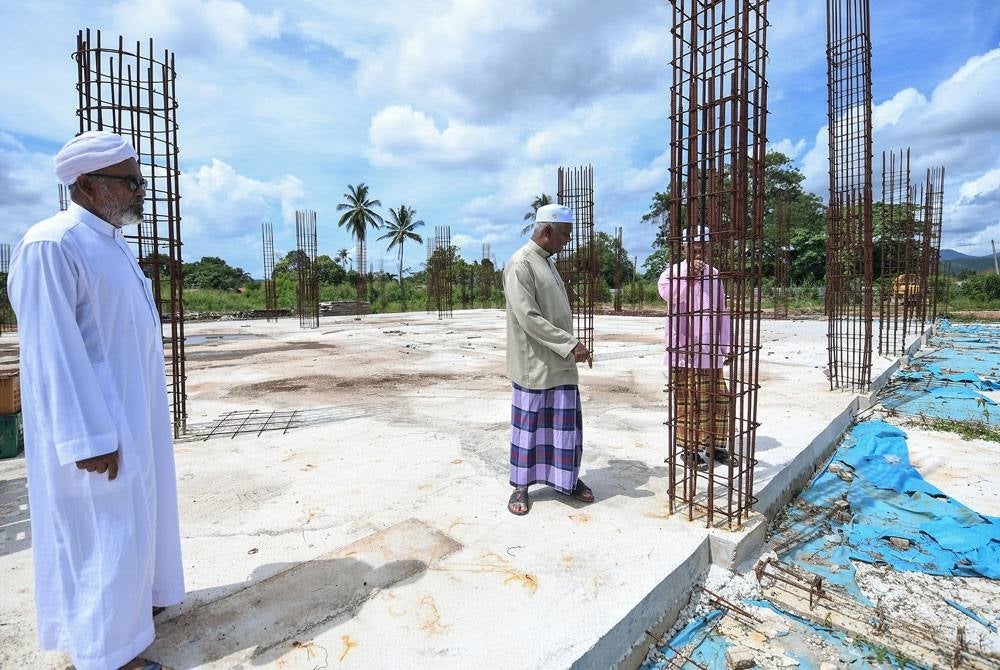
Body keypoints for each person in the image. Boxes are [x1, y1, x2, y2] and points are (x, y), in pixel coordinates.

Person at [8, 131, 184, 670]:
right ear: (86, 183)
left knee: (135, 523)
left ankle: (134, 614)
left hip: (134, 417)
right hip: (96, 429)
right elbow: (52, 352)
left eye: (140, 182)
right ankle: (109, 656)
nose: (141, 191)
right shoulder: (52, 244)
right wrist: (86, 437)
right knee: (102, 533)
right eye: (130, 182)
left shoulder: (114, 246)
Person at [503, 203, 594, 515]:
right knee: (530, 429)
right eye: (564, 235)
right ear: (546, 231)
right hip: (535, 364)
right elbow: (528, 318)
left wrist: (567, 346)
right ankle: (521, 486)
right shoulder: (521, 264)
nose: (567, 240)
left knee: (563, 429)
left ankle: (566, 480)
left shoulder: (547, 262)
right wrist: (570, 344)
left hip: (559, 362)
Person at [658, 227, 732, 470]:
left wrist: (726, 345)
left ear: (709, 249)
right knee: (688, 402)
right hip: (684, 351)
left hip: (709, 350)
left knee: (717, 401)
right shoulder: (671, 274)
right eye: (693, 249)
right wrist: (688, 275)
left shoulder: (714, 275)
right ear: (684, 249)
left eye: (703, 249)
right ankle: (689, 450)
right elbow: (671, 297)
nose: (698, 254)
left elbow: (722, 310)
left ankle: (714, 446)